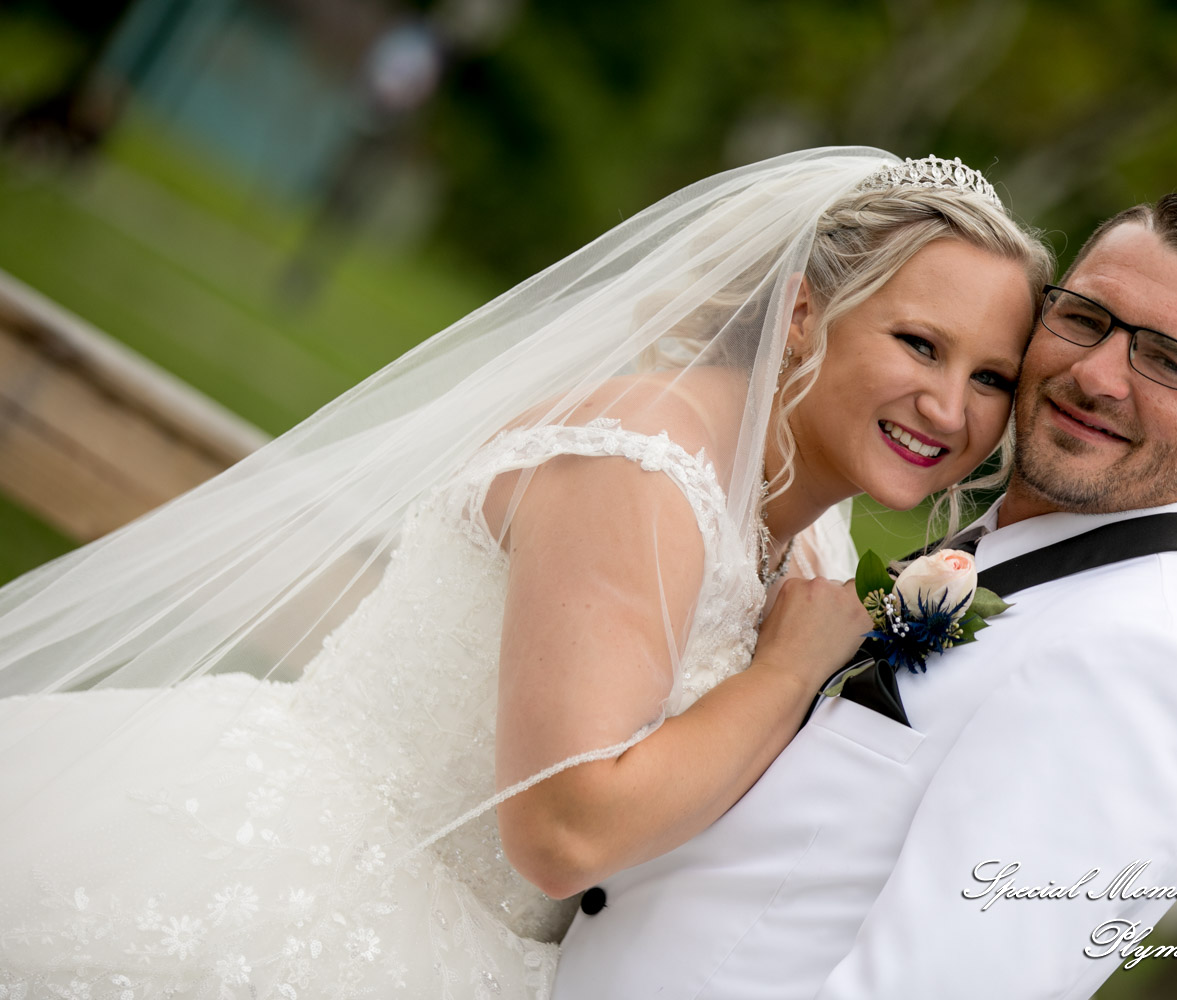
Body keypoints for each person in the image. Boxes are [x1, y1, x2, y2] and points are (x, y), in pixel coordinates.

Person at [0, 149, 1053, 997]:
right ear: (805, 313)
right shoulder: (643, 455)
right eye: (920, 344)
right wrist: (784, 675)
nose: (951, 408)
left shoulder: (814, 554)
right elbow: (562, 829)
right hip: (296, 897)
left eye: (992, 377)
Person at [550, 192, 1177, 998]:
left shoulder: (1143, 668)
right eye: (1085, 316)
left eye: (1169, 361)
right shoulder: (988, 563)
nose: (1096, 374)